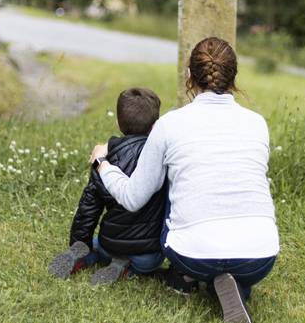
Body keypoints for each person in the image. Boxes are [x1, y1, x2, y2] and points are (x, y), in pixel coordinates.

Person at [91, 37, 278, 323]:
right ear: (234, 76)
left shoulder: (169, 124)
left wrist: (103, 164)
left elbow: (133, 197)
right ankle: (232, 285)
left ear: (189, 75)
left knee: (170, 181)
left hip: (193, 253)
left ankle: (186, 277)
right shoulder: (257, 123)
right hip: (261, 256)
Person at [49, 87, 167, 285]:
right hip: (147, 253)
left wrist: (80, 241)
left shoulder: (103, 159)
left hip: (110, 243)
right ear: (155, 126)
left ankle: (84, 255)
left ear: (117, 123)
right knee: (148, 260)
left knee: (96, 246)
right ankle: (125, 267)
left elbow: (88, 208)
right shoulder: (162, 158)